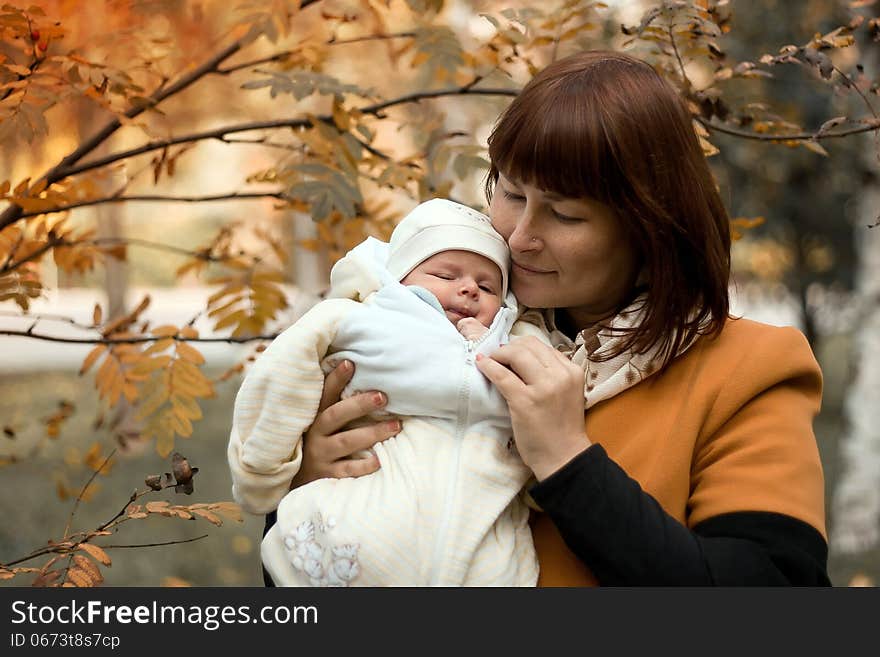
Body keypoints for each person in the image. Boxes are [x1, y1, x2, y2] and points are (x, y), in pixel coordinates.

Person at [287, 50, 831, 586]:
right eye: (512, 193)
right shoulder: (420, 325)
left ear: (650, 231)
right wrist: (312, 487)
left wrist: (567, 460)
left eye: (565, 213)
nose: (520, 236)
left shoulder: (748, 371)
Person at [228, 198, 551, 586]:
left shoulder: (517, 344)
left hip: (482, 548)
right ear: (399, 277)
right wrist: (264, 474)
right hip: (357, 527)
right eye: (446, 275)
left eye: (487, 285)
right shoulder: (361, 318)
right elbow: (281, 376)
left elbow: (550, 420)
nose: (468, 289)